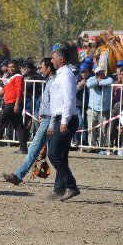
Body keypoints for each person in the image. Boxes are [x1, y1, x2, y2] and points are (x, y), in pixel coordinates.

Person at [2, 58, 56, 185]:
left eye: (42, 67)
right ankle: (64, 184)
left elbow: (57, 104)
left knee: (37, 148)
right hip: (47, 118)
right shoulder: (50, 81)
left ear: (49, 68)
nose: (40, 70)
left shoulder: (55, 82)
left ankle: (18, 175)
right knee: (53, 153)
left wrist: (51, 122)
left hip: (50, 120)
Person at [46, 46, 81, 201]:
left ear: (62, 60)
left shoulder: (66, 75)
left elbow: (68, 100)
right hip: (61, 118)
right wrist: (53, 123)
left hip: (66, 119)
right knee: (60, 155)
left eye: (53, 58)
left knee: (53, 153)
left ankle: (71, 186)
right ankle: (59, 189)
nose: (51, 60)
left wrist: (64, 121)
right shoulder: (61, 75)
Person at [85, 67, 113, 148]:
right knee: (91, 129)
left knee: (103, 130)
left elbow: (110, 81)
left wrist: (98, 82)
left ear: (104, 73)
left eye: (101, 73)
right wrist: (98, 81)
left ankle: (101, 147)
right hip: (92, 108)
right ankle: (92, 147)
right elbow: (89, 84)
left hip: (104, 110)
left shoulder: (109, 78)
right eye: (97, 74)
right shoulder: (91, 79)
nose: (99, 75)